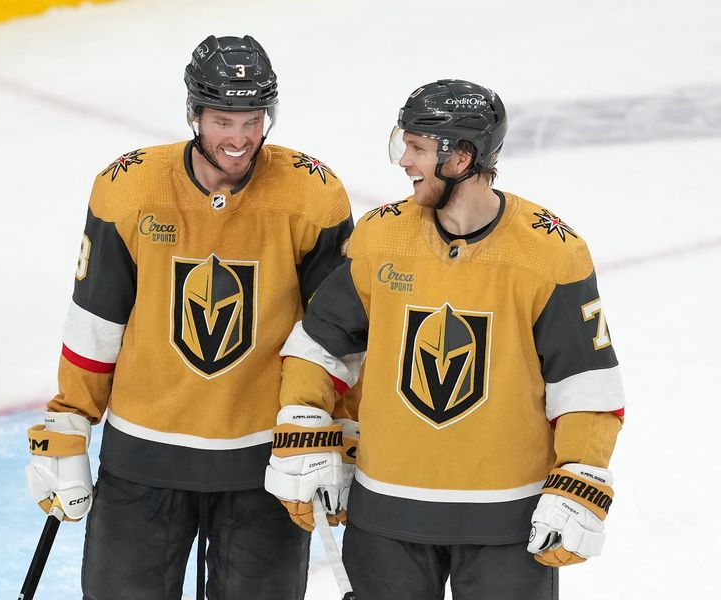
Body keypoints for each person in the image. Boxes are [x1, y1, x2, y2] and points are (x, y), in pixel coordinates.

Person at [264, 79, 625, 600]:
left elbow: (585, 383)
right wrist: (305, 418)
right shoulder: (380, 236)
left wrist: (581, 475)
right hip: (386, 514)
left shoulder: (550, 253)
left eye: (417, 149)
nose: (405, 162)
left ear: (461, 158)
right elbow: (322, 344)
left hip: (505, 525)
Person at [24, 35, 353, 600]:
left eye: (252, 120)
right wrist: (70, 423)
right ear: (194, 113)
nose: (240, 138)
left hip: (266, 465)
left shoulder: (312, 196)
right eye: (224, 120)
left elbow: (335, 334)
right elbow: (96, 321)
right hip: (143, 458)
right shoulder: (129, 189)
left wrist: (339, 432)